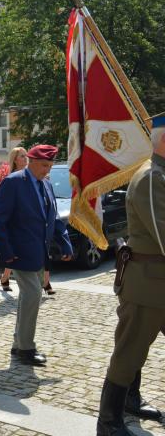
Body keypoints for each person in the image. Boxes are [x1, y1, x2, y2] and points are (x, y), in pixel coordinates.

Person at [96, 116, 165, 434]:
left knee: (135, 347)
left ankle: (131, 401)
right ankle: (109, 422)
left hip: (157, 282)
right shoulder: (152, 177)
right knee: (130, 350)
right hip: (147, 284)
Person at [0, 145, 72, 367]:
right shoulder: (14, 182)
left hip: (40, 253)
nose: (47, 170)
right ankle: (26, 349)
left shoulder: (45, 183)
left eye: (50, 166)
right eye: (44, 165)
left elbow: (52, 217)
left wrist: (65, 243)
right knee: (33, 296)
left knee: (29, 299)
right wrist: (5, 252)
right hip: (19, 254)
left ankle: (19, 344)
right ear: (31, 161)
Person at [0, 146, 28, 292]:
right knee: (13, 253)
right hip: (14, 221)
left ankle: (5, 277)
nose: (26, 158)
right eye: (22, 156)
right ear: (15, 160)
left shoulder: (30, 176)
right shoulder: (11, 179)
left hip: (25, 222)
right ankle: (6, 277)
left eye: (26, 155)